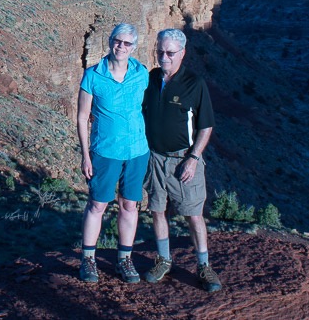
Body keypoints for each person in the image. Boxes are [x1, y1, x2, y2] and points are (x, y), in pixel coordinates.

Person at [142, 28, 222, 292]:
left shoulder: (194, 83)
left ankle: (203, 265)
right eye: (160, 52)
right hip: (154, 158)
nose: (163, 57)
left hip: (183, 160)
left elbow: (206, 126)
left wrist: (194, 158)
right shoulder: (152, 79)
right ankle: (164, 260)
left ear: (182, 53)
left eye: (170, 53)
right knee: (157, 210)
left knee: (194, 215)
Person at [76, 23, 150, 284]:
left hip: (137, 151)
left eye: (127, 43)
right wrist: (85, 155)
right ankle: (88, 259)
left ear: (134, 47)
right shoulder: (93, 75)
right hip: (105, 151)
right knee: (97, 204)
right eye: (117, 41)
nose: (121, 46)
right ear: (110, 42)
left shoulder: (142, 74)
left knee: (130, 204)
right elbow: (83, 116)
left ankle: (125, 259)